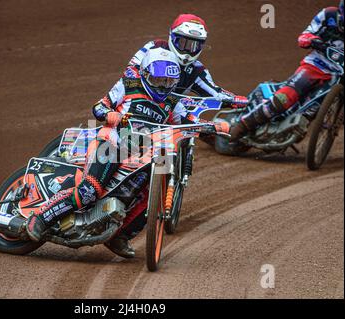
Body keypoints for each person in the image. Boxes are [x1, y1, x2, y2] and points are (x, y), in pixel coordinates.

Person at [25, 47, 227, 251]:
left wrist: (214, 126)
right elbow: (99, 106)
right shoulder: (129, 85)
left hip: (145, 153)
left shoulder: (173, 101)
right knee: (90, 190)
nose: (164, 86)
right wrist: (109, 115)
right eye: (159, 80)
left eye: (169, 82)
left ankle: (119, 237)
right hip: (112, 143)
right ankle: (41, 218)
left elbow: (188, 121)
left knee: (150, 198)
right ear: (146, 75)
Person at [101, 13, 248, 258]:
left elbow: (216, 92)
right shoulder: (152, 48)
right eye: (183, 43)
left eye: (195, 45)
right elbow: (130, 71)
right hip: (140, 106)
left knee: (160, 167)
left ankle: (124, 233)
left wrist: (241, 101)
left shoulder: (197, 70)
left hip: (173, 112)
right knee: (115, 141)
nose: (188, 50)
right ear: (171, 38)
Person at [230, 1, 344, 141]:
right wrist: (313, 41)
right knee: (287, 96)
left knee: (311, 111)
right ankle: (242, 125)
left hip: (339, 74)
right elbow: (305, 35)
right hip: (316, 65)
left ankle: (294, 128)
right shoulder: (328, 15)